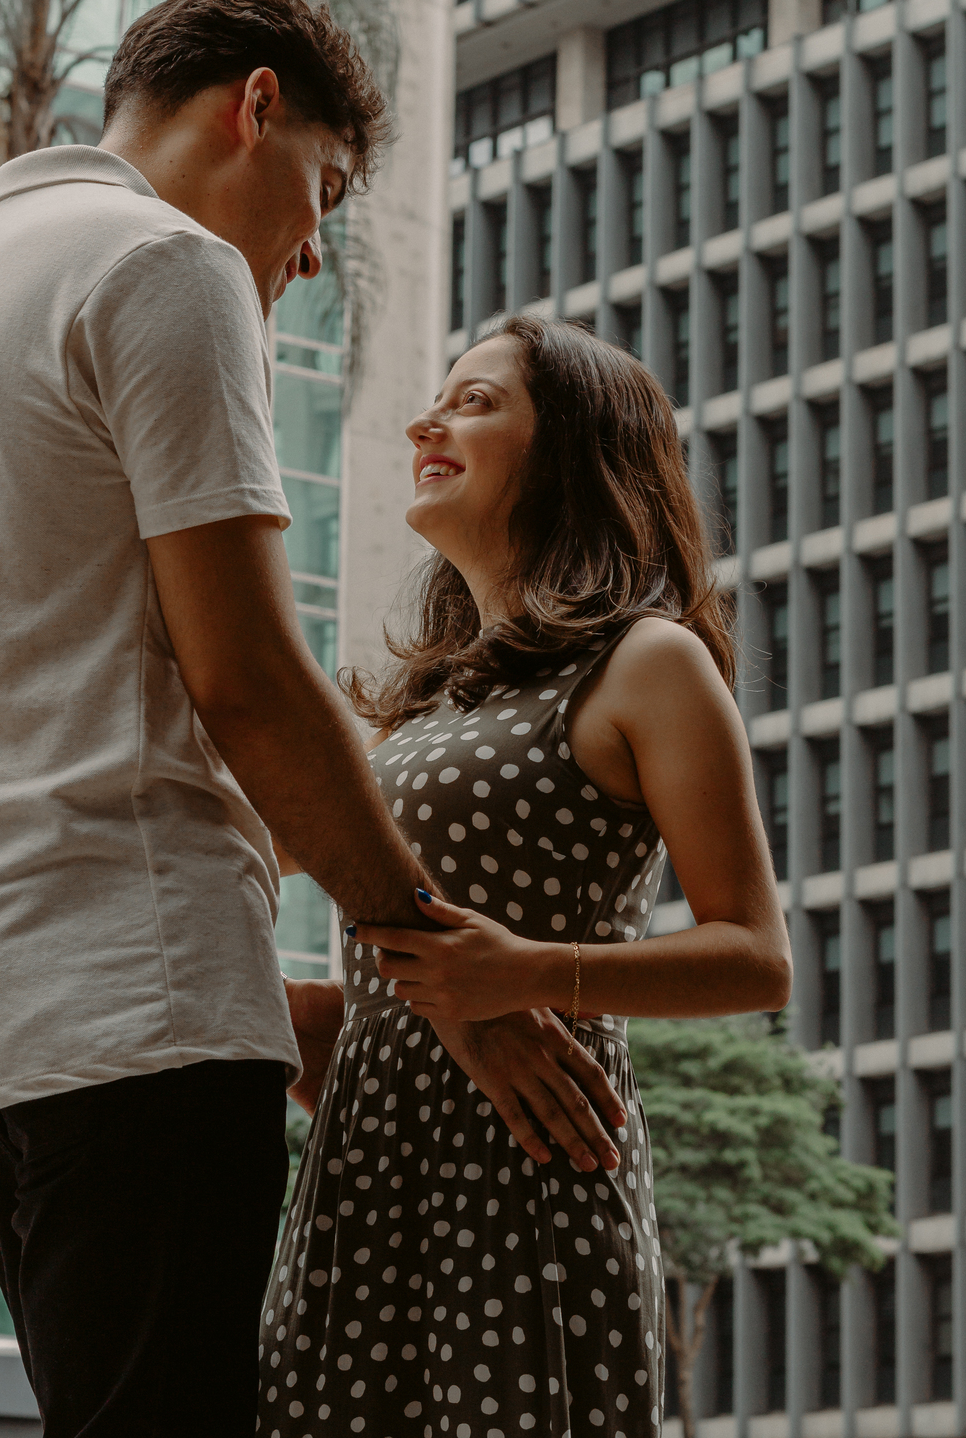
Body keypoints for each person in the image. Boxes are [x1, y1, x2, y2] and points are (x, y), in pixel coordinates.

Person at [0, 0, 622, 1438]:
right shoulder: (168, 262)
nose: (315, 250)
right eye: (324, 189)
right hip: (139, 1019)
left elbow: (52, 705)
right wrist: (436, 970)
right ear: (255, 106)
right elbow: (250, 682)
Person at [260, 315, 792, 1438]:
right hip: (366, 1174)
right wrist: (321, 1025)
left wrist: (530, 973)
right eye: (438, 399)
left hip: (530, 1177)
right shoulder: (426, 706)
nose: (427, 423)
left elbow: (755, 957)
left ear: (572, 450)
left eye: (475, 401)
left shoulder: (648, 661)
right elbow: (238, 861)